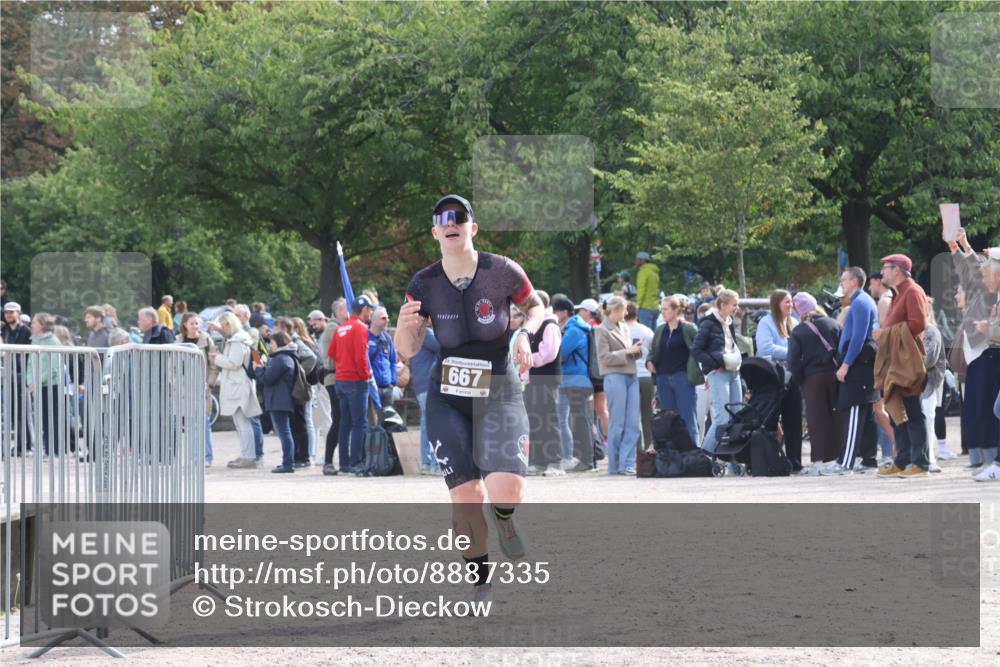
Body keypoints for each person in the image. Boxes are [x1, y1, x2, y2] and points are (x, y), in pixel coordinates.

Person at [395, 193, 543, 604]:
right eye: (442, 218)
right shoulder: (423, 283)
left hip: (499, 391)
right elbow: (406, 349)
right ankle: (480, 581)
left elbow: (537, 308)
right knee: (466, 495)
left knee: (507, 489)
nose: (450, 222)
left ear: (471, 228)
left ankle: (506, 518)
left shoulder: (502, 271)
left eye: (458, 216)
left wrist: (523, 333)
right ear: (435, 232)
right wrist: (404, 326)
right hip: (449, 396)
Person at [948, 232, 1000, 480]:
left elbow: (973, 267)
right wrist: (957, 248)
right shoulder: (988, 291)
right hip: (981, 358)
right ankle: (987, 461)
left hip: (988, 356)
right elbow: (972, 268)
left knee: (988, 411)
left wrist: (965, 246)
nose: (983, 271)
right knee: (980, 412)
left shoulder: (989, 293)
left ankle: (992, 462)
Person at [875, 254, 931, 478]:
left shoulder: (913, 291)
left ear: (897, 270)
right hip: (897, 360)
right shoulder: (899, 293)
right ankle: (903, 459)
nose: (882, 274)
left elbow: (919, 324)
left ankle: (921, 463)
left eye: (886, 269)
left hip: (907, 361)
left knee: (913, 411)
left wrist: (886, 333)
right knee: (896, 408)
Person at [824, 267, 879, 475]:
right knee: (866, 415)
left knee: (854, 410)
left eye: (844, 280)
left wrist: (846, 364)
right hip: (860, 362)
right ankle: (868, 459)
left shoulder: (860, 302)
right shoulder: (861, 302)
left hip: (858, 364)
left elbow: (858, 337)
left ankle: (846, 462)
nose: (842, 284)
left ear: (855, 281)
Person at [787, 292, 843, 473]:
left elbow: (793, 361)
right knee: (837, 416)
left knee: (816, 419)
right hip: (835, 375)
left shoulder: (799, 330)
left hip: (812, 378)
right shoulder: (834, 324)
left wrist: (800, 379)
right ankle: (839, 458)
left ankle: (818, 461)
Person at [755, 289, 804, 470]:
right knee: (769, 419)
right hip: (773, 378)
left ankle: (795, 461)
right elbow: (765, 348)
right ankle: (768, 460)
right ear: (777, 304)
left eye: (791, 302)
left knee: (794, 419)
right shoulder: (766, 323)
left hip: (792, 377)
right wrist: (793, 353)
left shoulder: (795, 323)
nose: (790, 305)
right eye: (787, 302)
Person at [692, 289, 743, 460]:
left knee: (737, 414)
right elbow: (696, 350)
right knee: (722, 416)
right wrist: (714, 365)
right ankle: (705, 454)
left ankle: (730, 457)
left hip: (733, 372)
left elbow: (730, 346)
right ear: (723, 305)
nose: (737, 308)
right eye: (734, 305)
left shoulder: (729, 321)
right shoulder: (708, 323)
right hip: (719, 373)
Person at [595, 296, 643, 475]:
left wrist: (636, 351)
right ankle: (614, 465)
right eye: (624, 310)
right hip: (614, 376)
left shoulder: (624, 327)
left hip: (631, 374)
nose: (627, 313)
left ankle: (627, 463)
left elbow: (626, 352)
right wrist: (626, 351)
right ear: (615, 310)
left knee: (632, 423)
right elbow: (604, 357)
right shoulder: (601, 330)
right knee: (618, 423)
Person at [330, 295, 375, 477]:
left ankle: (344, 463)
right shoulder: (360, 328)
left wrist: (344, 364)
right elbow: (360, 357)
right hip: (356, 381)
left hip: (341, 380)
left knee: (345, 423)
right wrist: (366, 376)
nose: (371, 312)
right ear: (364, 310)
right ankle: (356, 463)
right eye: (370, 309)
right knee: (359, 423)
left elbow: (331, 352)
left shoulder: (341, 327)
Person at [552, 297, 597, 472]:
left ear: (563, 312)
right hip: (575, 380)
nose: (555, 315)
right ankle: (583, 459)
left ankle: (586, 460)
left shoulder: (574, 330)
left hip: (576, 380)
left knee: (579, 420)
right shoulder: (576, 328)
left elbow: (561, 353)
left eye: (556, 311)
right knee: (577, 420)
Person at [648, 295, 701, 445]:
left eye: (665, 309)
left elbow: (699, 350)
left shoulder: (689, 328)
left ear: (676, 310)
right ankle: (673, 457)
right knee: (668, 420)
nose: (662, 312)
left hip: (683, 377)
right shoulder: (660, 330)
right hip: (663, 378)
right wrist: (649, 362)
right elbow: (653, 352)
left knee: (688, 418)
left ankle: (693, 454)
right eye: (661, 309)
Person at [212, 312, 262, 469]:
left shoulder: (238, 341)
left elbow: (233, 363)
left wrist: (216, 358)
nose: (222, 328)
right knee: (241, 422)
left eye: (223, 325)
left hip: (238, 385)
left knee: (242, 422)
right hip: (238, 384)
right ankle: (247, 455)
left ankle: (248, 457)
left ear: (229, 324)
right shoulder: (238, 338)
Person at [525, 291, 563, 476]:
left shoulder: (549, 325)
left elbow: (549, 353)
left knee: (549, 421)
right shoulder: (534, 324)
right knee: (534, 421)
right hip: (533, 379)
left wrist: (526, 359)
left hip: (546, 379)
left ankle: (554, 461)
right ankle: (538, 461)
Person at [253, 331, 299, 473]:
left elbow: (268, 379)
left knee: (284, 433)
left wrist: (259, 369)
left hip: (279, 400)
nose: (270, 346)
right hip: (281, 399)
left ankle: (288, 463)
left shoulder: (281, 358)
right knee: (285, 432)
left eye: (272, 343)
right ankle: (288, 462)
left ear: (279, 343)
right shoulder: (287, 357)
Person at [179, 312, 218, 467]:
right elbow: (171, 366)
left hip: (202, 388)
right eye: (192, 323)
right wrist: (175, 383)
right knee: (189, 425)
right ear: (185, 325)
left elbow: (214, 365)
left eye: (197, 323)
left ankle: (207, 457)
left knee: (204, 423)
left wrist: (209, 383)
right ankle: (194, 457)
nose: (195, 326)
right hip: (184, 389)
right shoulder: (178, 341)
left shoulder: (207, 340)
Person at [25, 313, 66, 456]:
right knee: (42, 418)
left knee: (52, 418)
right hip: (38, 385)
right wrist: (29, 380)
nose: (32, 324)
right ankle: (46, 448)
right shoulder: (34, 340)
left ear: (42, 325)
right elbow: (30, 363)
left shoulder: (53, 341)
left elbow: (54, 367)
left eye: (35, 322)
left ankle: (53, 450)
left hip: (52, 385)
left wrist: (37, 380)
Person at [319, 298, 349, 476]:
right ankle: (328, 461)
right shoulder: (334, 328)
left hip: (340, 377)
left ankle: (340, 459)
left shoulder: (339, 326)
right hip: (334, 377)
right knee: (338, 419)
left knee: (343, 420)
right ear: (339, 312)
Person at [408, 322, 441, 475]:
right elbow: (442, 347)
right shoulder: (426, 333)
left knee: (425, 424)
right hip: (429, 384)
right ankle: (434, 463)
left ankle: (427, 463)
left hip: (421, 384)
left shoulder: (415, 334)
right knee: (433, 424)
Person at [576, 298, 608, 442]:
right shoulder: (601, 325)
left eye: (582, 310)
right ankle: (606, 439)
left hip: (592, 373)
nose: (580, 313)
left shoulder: (590, 327)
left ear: (588, 312)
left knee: (597, 409)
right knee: (602, 409)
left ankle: (603, 440)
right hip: (601, 373)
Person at [2, 302, 33, 453]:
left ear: (18, 313)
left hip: (22, 375)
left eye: (11, 312)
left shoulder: (26, 331)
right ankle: (19, 445)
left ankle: (24, 445)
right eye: (6, 312)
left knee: (22, 411)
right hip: (7, 373)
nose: (8, 315)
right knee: (11, 411)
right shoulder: (3, 330)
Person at [920, 301, 946, 474]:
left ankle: (930, 460)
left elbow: (929, 360)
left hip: (930, 384)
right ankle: (922, 458)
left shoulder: (931, 332)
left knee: (928, 420)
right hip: (917, 385)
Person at [625, 302, 654, 452]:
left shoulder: (621, 331)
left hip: (630, 376)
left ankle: (635, 453)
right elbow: (654, 352)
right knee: (648, 416)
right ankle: (650, 450)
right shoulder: (647, 331)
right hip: (647, 376)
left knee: (632, 418)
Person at [368, 306, 398, 412]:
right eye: (383, 318)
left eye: (387, 318)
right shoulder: (365, 337)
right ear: (374, 320)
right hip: (372, 388)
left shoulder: (387, 339)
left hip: (387, 388)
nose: (387, 320)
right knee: (374, 423)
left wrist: (393, 382)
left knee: (388, 422)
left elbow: (393, 361)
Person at [635, 252, 660, 330]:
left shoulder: (643, 272)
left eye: (637, 259)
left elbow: (641, 289)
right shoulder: (654, 272)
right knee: (653, 336)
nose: (635, 261)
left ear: (642, 260)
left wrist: (637, 305)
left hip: (645, 308)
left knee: (645, 334)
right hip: (655, 307)